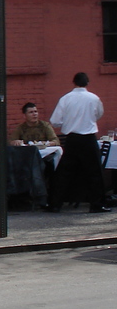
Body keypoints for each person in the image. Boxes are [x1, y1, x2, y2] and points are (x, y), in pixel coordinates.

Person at [48, 72, 107, 213]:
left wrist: (67, 122)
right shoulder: (94, 98)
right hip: (89, 138)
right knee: (94, 172)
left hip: (72, 139)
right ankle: (97, 204)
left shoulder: (65, 99)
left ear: (73, 82)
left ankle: (55, 204)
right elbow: (99, 114)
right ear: (87, 83)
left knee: (64, 172)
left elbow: (55, 120)